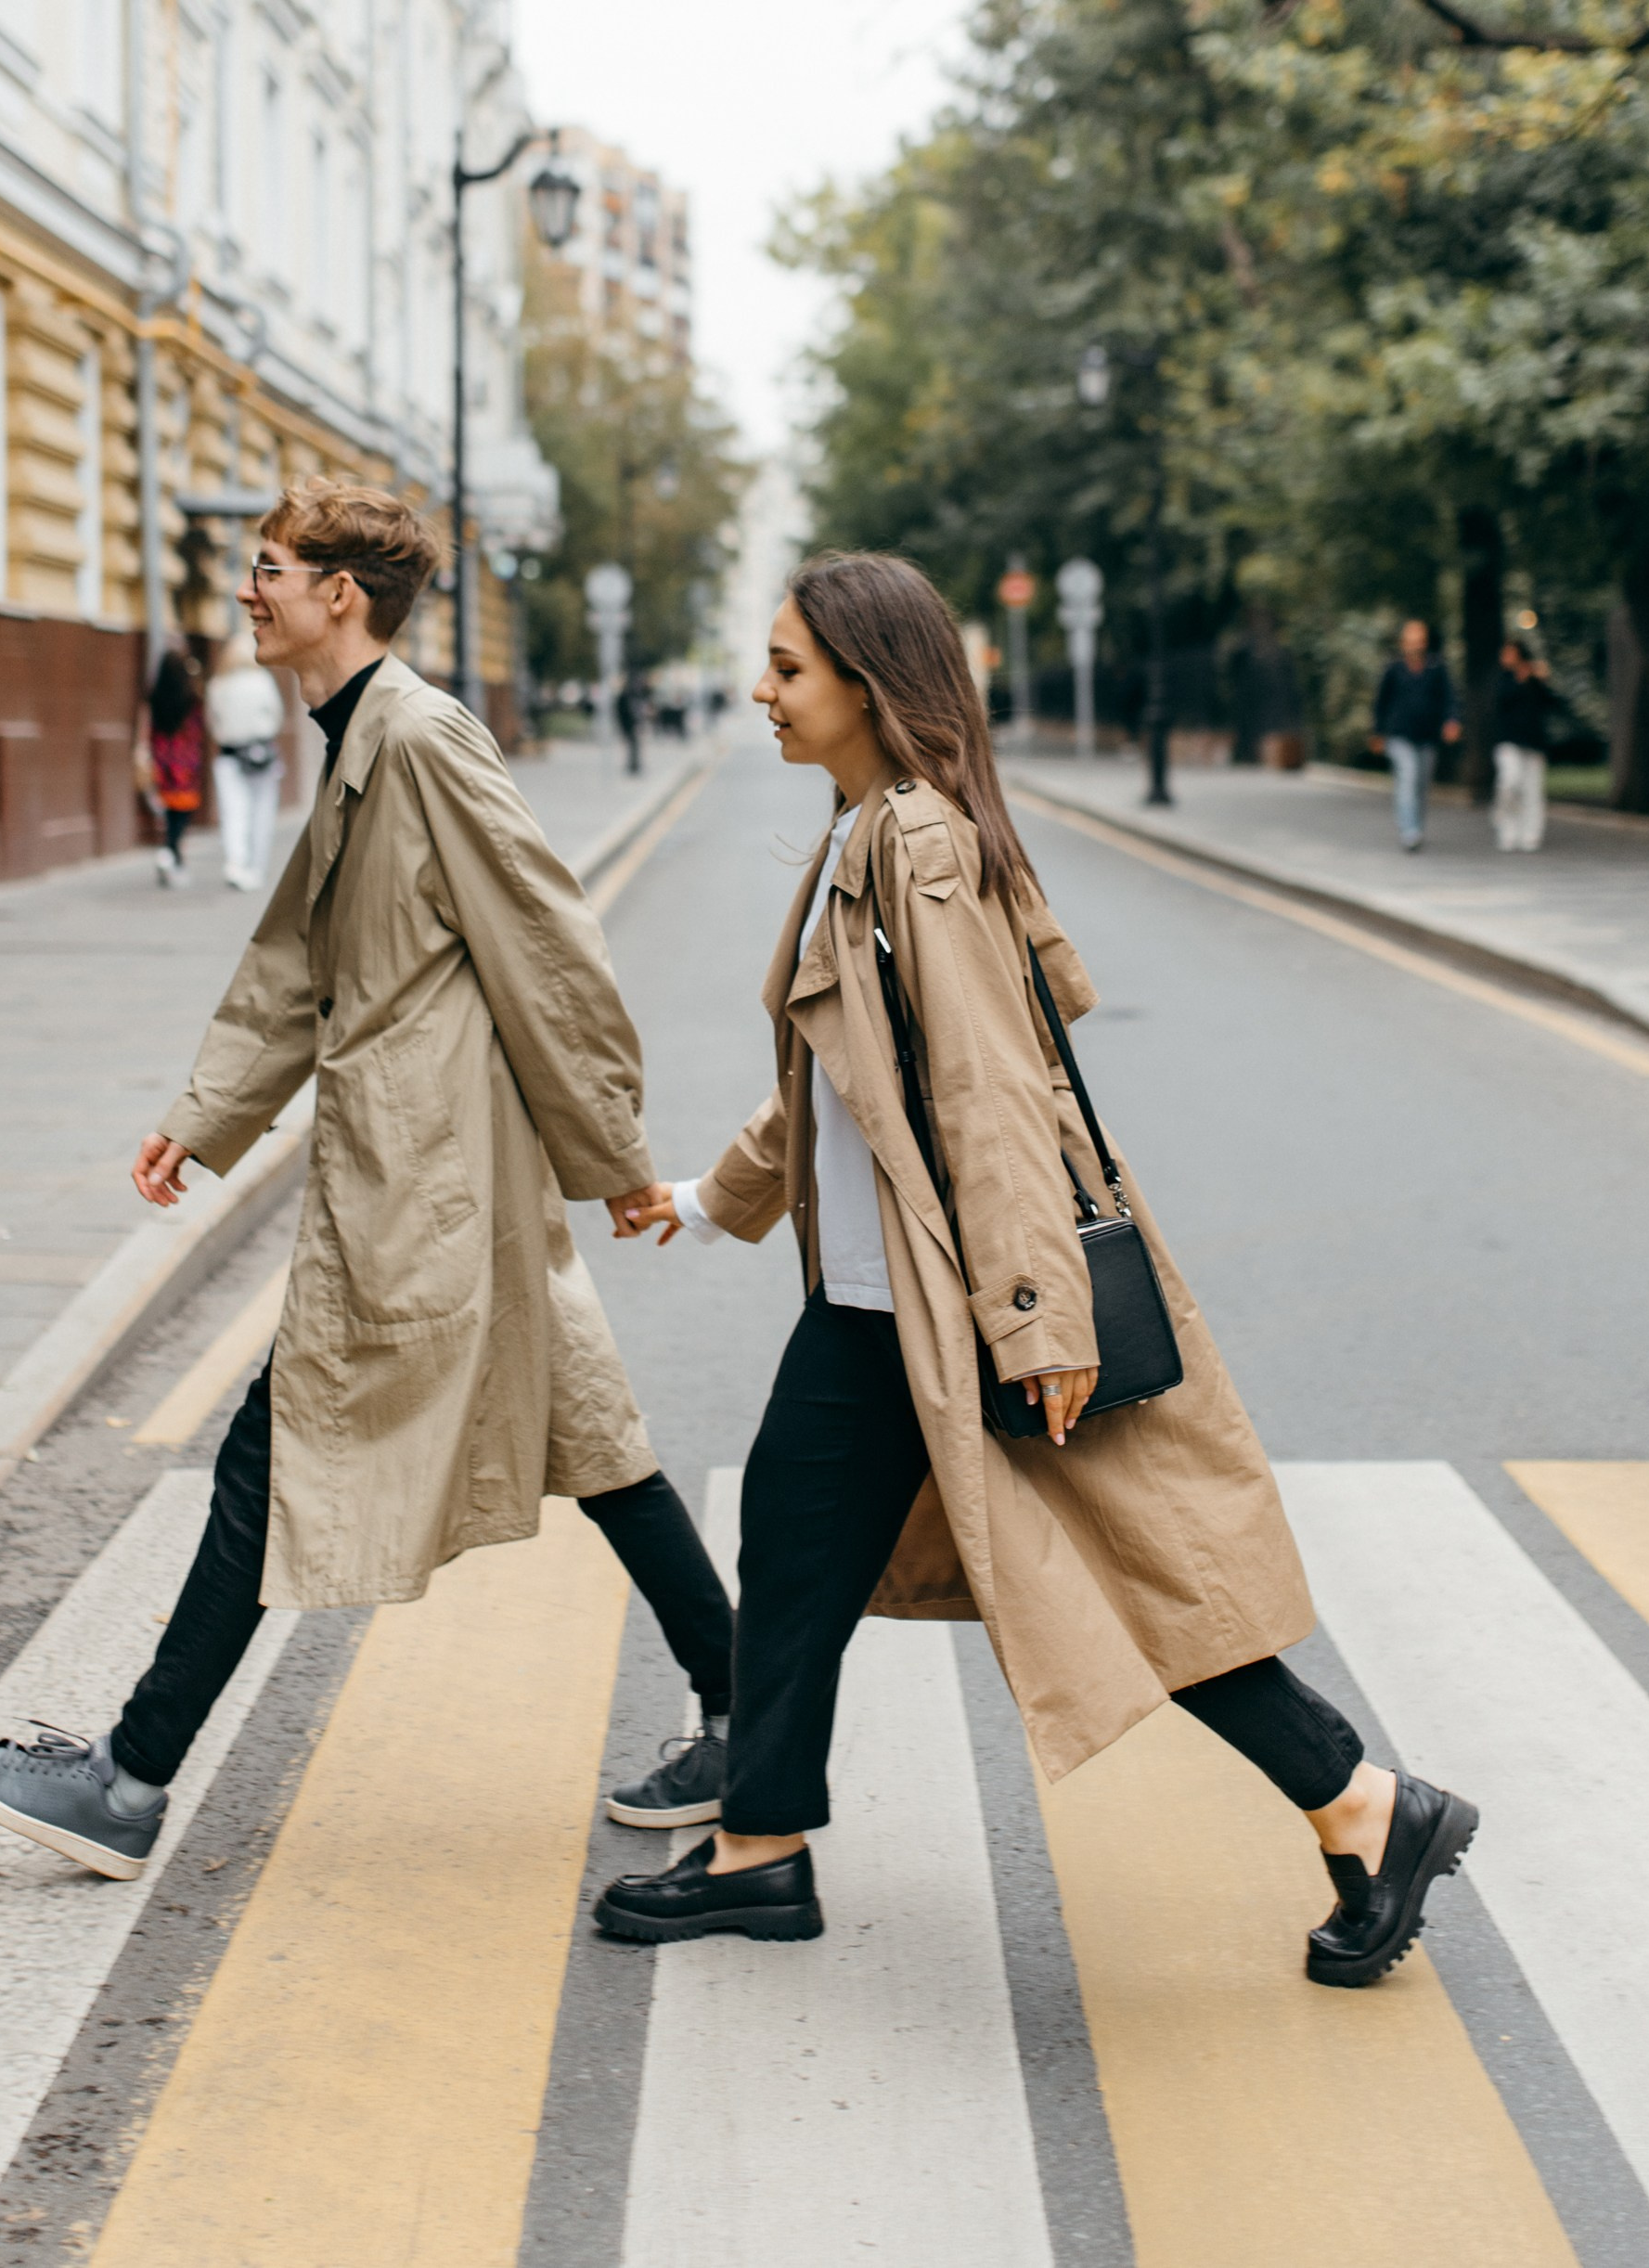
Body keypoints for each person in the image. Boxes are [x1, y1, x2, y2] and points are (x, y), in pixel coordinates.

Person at [591, 551, 1475, 1985]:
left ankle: (1367, 1806)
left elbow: (992, 1096)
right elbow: (849, 1082)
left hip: (953, 1308)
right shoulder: (868, 829)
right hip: (884, 1302)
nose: (761, 691)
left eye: (789, 669)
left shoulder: (916, 847)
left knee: (1131, 1581)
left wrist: (1038, 1323)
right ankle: (761, 1850)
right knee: (799, 1548)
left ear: (871, 687)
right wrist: (707, 1199)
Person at [0, 478, 735, 1878]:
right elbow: (301, 958)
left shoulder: (420, 740)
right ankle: (755, 1713)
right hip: (432, 1172)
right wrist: (207, 1112)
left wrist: (611, 1155)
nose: (249, 593)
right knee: (598, 1443)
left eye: (268, 571)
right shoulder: (358, 737)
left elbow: (551, 947)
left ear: (338, 597)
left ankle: (128, 1781)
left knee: (273, 1446)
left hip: (427, 1176)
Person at [205, 624, 286, 891]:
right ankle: (256, 866)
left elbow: (212, 721)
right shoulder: (262, 681)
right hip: (261, 752)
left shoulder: (218, 685)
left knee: (234, 811)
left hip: (229, 754)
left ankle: (235, 863)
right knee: (262, 811)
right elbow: (276, 715)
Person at [1369, 619, 1461, 853]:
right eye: (1410, 640)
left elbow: (1449, 698)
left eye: (1419, 640)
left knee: (1421, 785)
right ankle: (1409, 831)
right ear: (1403, 643)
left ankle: (1416, 825)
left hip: (1427, 736)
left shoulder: (1436, 668)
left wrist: (1451, 721)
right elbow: (1381, 702)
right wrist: (1378, 732)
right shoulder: (1393, 669)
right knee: (1407, 778)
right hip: (1400, 735)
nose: (1415, 645)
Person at [146, 638, 208, 889]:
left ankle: (172, 854)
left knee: (170, 811)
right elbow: (199, 726)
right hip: (185, 761)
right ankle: (171, 852)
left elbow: (148, 727)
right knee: (182, 812)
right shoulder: (190, 694)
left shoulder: (155, 695)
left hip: (163, 759)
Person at [1491, 636, 1556, 855]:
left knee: (1533, 790)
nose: (1505, 658)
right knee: (1510, 782)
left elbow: (1549, 703)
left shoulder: (1534, 678)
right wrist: (1520, 680)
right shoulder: (1503, 678)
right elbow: (1500, 701)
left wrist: (1542, 679)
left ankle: (1531, 833)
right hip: (1508, 740)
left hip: (1534, 742)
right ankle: (1507, 829)